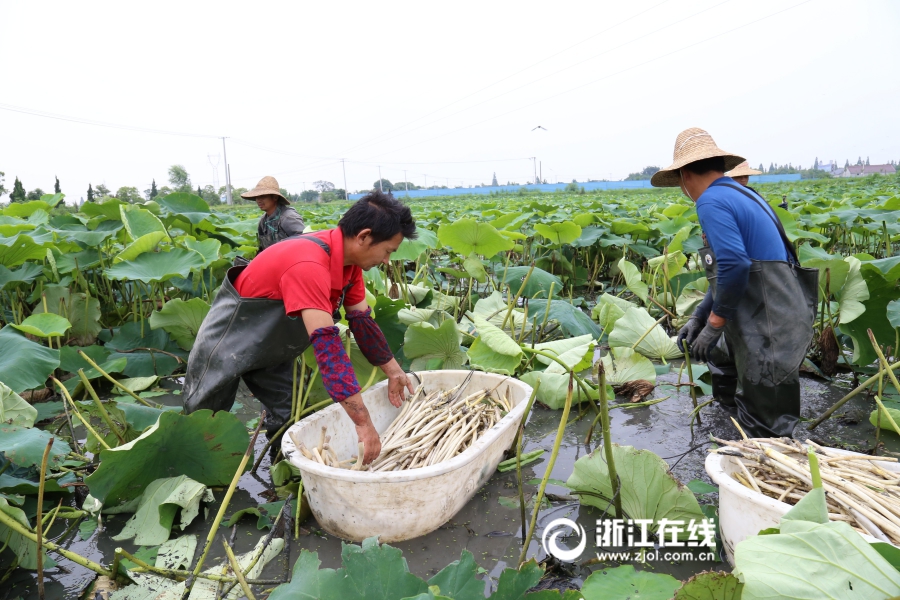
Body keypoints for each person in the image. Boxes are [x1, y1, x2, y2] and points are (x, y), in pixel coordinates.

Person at [182, 190, 417, 464]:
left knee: (290, 419)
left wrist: (394, 370)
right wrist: (363, 423)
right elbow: (327, 348)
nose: (387, 260)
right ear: (364, 236)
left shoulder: (350, 264)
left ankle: (283, 476)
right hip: (229, 340)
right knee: (202, 426)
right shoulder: (308, 263)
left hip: (274, 345)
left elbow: (362, 321)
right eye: (388, 251)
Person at [652, 128, 818, 438]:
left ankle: (758, 459)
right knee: (718, 352)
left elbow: (735, 263)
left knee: (767, 428)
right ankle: (728, 428)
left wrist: (714, 324)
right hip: (770, 307)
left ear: (685, 175)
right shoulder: (742, 194)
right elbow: (726, 273)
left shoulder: (710, 201)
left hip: (771, 319)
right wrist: (699, 317)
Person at [241, 176, 306, 251]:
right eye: (257, 197)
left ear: (275, 197)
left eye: (262, 196)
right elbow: (262, 249)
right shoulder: (263, 221)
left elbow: (305, 243)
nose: (258, 200)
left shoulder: (288, 217)